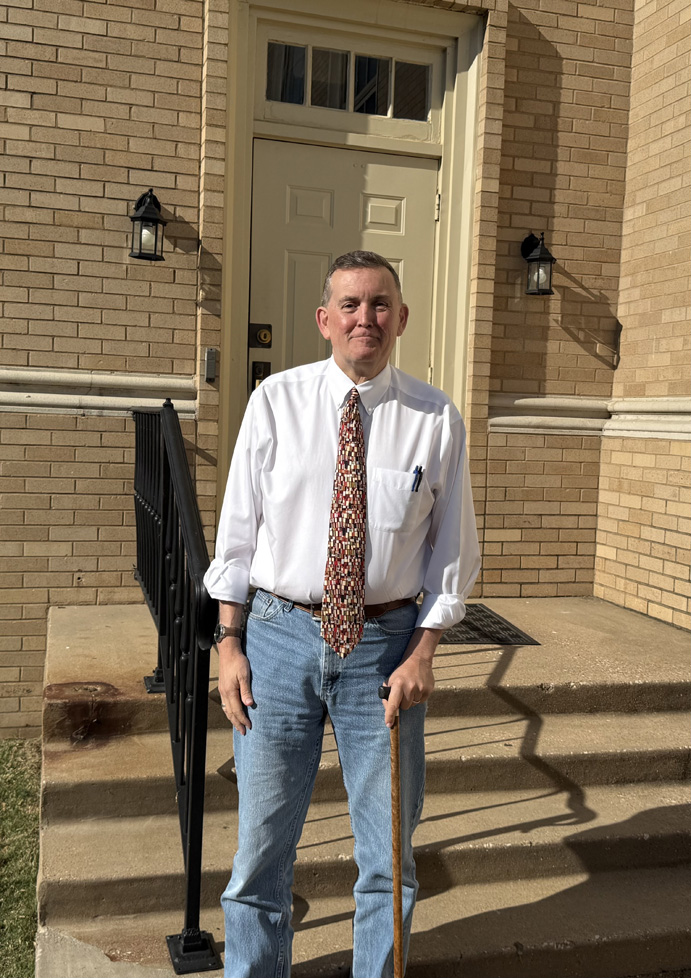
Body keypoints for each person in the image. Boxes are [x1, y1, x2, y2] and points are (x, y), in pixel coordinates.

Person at [203, 251, 480, 978]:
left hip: (384, 653)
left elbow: (451, 556)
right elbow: (236, 534)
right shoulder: (275, 403)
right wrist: (228, 645)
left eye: (381, 304)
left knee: (387, 854)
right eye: (351, 305)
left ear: (402, 318)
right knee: (261, 850)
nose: (367, 319)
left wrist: (422, 652)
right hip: (275, 639)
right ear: (324, 320)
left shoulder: (434, 418)